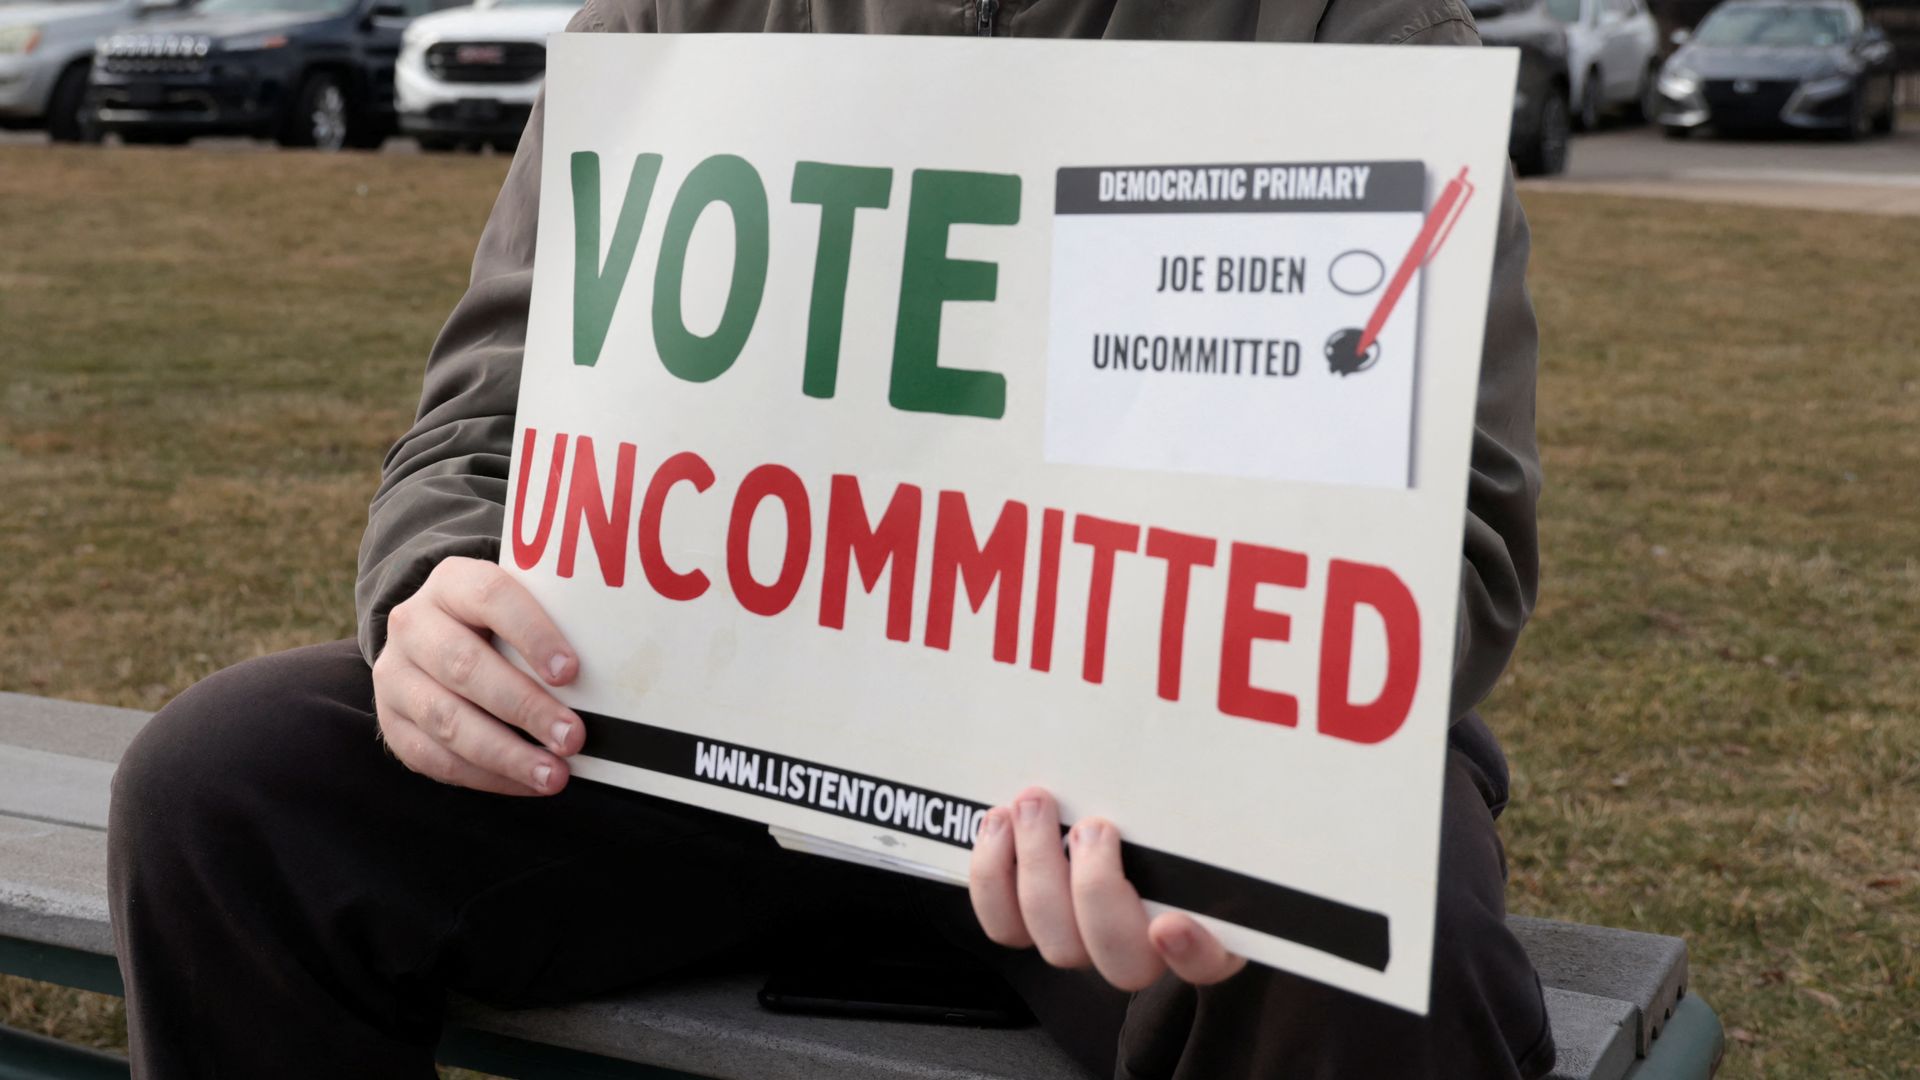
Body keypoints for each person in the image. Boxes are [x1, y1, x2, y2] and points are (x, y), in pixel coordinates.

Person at [106, 0, 1553, 1076]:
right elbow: (490, 412)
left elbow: (1461, 550)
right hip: (694, 742)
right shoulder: (669, 19)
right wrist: (430, 591)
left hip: (1125, 801)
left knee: (1376, 949)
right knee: (227, 789)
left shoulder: (1352, 31)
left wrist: (1181, 748)